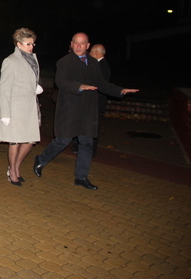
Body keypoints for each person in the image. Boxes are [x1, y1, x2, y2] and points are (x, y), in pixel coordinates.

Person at [33, 32, 138, 190]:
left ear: (88, 46)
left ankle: (81, 177)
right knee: (63, 140)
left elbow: (101, 84)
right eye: (76, 42)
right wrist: (80, 86)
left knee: (87, 143)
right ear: (71, 44)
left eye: (82, 43)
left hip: (88, 109)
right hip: (70, 109)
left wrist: (121, 90)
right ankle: (41, 159)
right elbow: (61, 82)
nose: (78, 46)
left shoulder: (94, 63)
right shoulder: (65, 62)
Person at [0, 28, 42, 186]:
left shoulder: (32, 59)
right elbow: (5, 87)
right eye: (28, 43)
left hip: (29, 106)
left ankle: (15, 166)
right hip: (15, 107)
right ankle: (13, 171)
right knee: (15, 141)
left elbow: (29, 78)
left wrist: (35, 87)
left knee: (29, 141)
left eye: (32, 43)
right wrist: (6, 114)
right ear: (18, 44)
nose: (31, 47)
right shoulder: (11, 60)